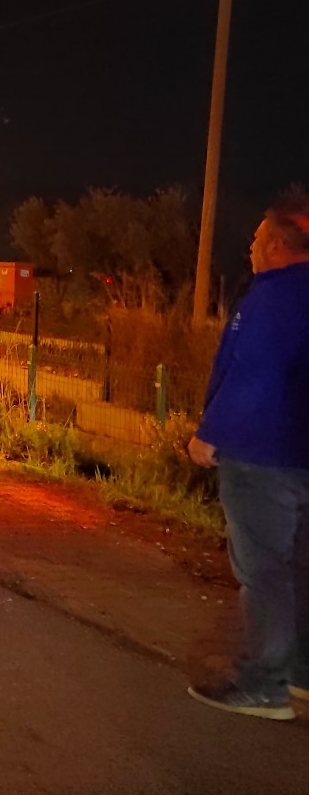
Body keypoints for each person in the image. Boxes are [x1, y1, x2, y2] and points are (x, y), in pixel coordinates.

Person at [185, 195, 309, 721]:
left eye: (257, 241)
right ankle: (300, 672)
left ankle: (263, 681)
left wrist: (210, 434)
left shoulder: (272, 297)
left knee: (264, 569)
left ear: (278, 246)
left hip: (261, 454)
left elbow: (252, 375)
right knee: (300, 566)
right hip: (300, 453)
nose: (251, 249)